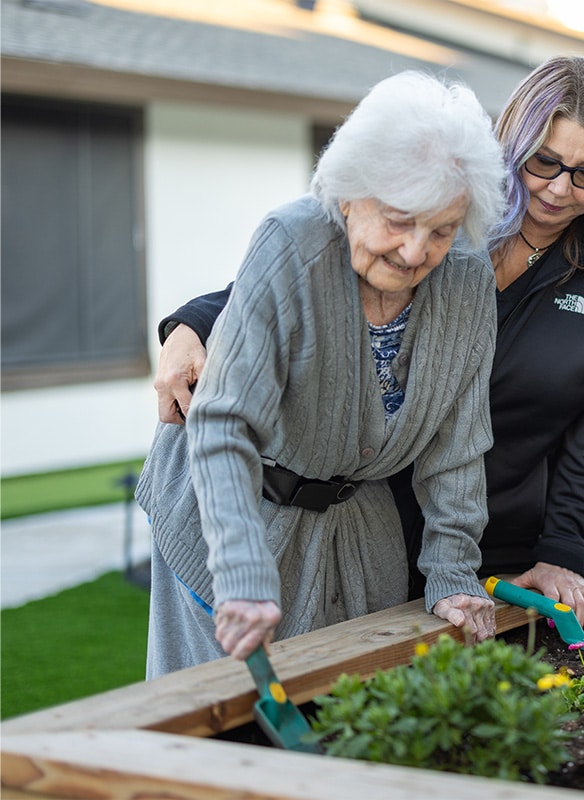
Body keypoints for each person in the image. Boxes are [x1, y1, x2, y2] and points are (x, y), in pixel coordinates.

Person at [151, 56, 584, 634]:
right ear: (513, 146)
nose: (560, 188)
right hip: (350, 501)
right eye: (545, 161)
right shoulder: (432, 218)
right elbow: (297, 275)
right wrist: (192, 325)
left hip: (460, 520)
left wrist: (561, 548)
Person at [135, 71, 504, 678]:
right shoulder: (293, 244)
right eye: (397, 220)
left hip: (357, 526)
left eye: (439, 229)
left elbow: (458, 447)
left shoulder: (466, 280)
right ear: (348, 194)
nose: (415, 252)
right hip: (230, 516)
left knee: (355, 711)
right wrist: (244, 576)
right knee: (212, 714)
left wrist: (454, 572)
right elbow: (225, 425)